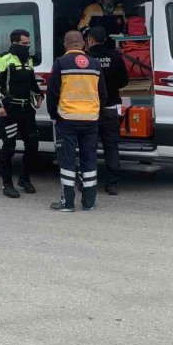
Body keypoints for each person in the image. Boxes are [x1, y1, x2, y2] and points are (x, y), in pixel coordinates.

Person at [47, 31, 107, 212]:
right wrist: (96, 113)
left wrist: (54, 115)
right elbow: (103, 94)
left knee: (67, 161)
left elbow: (52, 93)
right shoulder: (95, 64)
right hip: (90, 119)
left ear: (65, 44)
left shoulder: (60, 63)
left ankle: (67, 203)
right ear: (83, 44)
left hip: (67, 119)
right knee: (89, 160)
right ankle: (89, 202)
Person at [0, 29, 43, 198]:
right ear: (15, 43)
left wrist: (39, 94)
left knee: (33, 146)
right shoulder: (3, 59)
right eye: (24, 44)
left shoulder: (29, 60)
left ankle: (24, 179)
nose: (27, 47)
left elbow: (32, 80)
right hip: (9, 110)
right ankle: (7, 184)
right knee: (9, 148)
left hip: (27, 109)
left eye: (29, 43)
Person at [85, 26, 129, 195]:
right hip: (111, 107)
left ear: (90, 40)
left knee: (89, 146)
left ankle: (87, 181)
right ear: (105, 39)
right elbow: (124, 81)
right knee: (111, 146)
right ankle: (112, 184)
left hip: (90, 108)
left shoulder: (86, 58)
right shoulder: (115, 57)